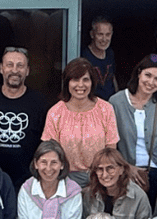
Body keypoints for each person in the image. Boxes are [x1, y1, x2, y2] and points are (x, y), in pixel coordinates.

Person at [0, 47, 50, 188]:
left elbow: (46, 143)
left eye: (20, 66)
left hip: (29, 180)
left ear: (27, 70)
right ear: (1, 68)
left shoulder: (40, 103)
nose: (15, 70)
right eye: (10, 65)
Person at [41, 57, 119, 187]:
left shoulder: (105, 109)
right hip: (65, 179)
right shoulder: (55, 112)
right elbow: (50, 152)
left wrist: (103, 177)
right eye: (75, 80)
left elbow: (111, 149)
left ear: (92, 82)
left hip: (99, 178)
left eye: (85, 80)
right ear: (67, 82)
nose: (80, 85)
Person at [109, 54, 157, 201]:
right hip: (126, 169)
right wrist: (125, 167)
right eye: (148, 75)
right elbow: (111, 141)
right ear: (139, 73)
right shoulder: (116, 102)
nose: (151, 82)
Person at [84, 147, 152, 219]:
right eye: (100, 169)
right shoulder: (90, 194)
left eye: (110, 168)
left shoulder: (138, 197)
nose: (105, 175)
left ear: (121, 169)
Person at [82, 15, 118, 100]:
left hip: (110, 103)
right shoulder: (84, 56)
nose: (104, 39)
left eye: (108, 34)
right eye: (100, 34)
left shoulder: (110, 53)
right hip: (92, 104)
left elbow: (112, 77)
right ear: (92, 34)